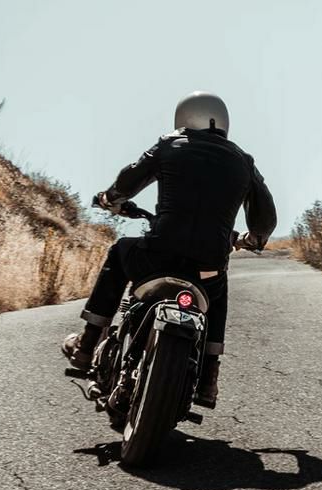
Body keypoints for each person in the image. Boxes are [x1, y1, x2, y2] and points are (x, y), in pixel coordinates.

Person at [62, 91, 276, 409]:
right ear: (222, 122)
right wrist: (252, 239)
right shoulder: (244, 162)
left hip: (156, 257)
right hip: (205, 269)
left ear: (184, 117)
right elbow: (265, 219)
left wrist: (110, 199)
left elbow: (129, 180)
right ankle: (209, 378)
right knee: (218, 286)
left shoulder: (169, 145)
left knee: (119, 251)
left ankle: (87, 342)